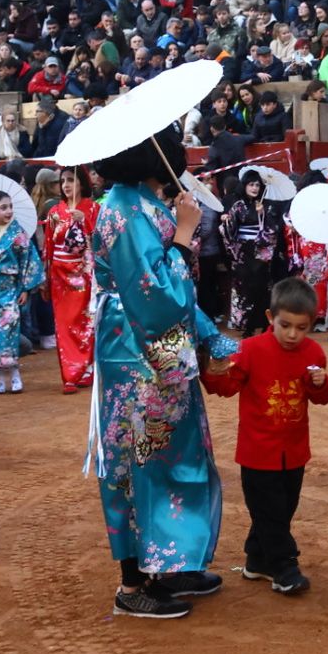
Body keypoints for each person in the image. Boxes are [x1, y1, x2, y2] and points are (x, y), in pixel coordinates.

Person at [87, 129, 232, 620]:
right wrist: (187, 236)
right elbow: (158, 296)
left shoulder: (144, 203)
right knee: (137, 459)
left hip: (161, 351)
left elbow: (176, 294)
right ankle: (133, 582)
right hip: (132, 353)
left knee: (178, 452)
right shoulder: (121, 211)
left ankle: (174, 560)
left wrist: (211, 335)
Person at [201, 277, 328, 596]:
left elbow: (322, 397)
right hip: (258, 452)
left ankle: (257, 558)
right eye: (285, 325)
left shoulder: (314, 351)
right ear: (269, 318)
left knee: (283, 508)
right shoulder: (249, 349)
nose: (292, 334)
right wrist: (213, 369)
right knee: (271, 510)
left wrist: (320, 383)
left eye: (301, 328)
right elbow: (225, 387)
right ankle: (284, 566)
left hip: (295, 450)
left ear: (312, 324)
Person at [0, 190, 44, 394]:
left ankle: (15, 374)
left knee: (9, 331)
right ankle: (0, 378)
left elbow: (29, 260)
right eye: (3, 207)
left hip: (10, 288)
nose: (9, 211)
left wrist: (26, 288)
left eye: (10, 206)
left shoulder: (18, 233)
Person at [44, 167, 96, 393]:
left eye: (71, 180)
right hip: (60, 275)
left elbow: (102, 242)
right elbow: (48, 246)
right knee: (64, 325)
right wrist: (46, 278)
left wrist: (85, 221)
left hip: (85, 272)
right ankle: (70, 375)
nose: (66, 185)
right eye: (63, 180)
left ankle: (87, 370)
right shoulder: (54, 211)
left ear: (82, 183)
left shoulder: (93, 208)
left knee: (87, 322)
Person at [223, 169, 286, 335]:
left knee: (261, 289)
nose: (254, 188)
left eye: (257, 185)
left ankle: (264, 324)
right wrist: (227, 221)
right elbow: (229, 231)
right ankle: (247, 326)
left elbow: (273, 230)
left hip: (260, 253)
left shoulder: (263, 206)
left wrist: (262, 216)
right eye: (251, 184)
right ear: (244, 186)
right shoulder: (238, 206)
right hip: (242, 253)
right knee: (245, 289)